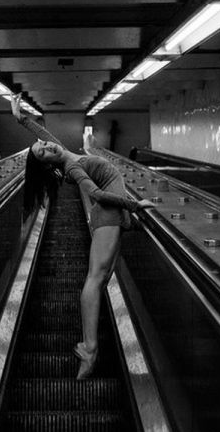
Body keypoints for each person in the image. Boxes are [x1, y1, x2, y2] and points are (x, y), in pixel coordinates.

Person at [11, 94, 154, 379]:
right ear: (48, 164)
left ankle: (90, 345)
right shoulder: (73, 167)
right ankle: (90, 348)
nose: (47, 145)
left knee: (102, 276)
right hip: (109, 214)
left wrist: (20, 117)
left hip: (112, 215)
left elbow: (41, 134)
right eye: (43, 151)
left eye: (44, 144)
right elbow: (98, 195)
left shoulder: (63, 152)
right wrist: (135, 206)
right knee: (95, 278)